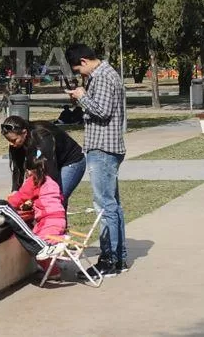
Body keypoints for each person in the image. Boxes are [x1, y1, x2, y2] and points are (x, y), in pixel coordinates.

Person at [65, 43, 128, 277]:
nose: (79, 75)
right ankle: (118, 258)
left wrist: (81, 96)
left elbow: (102, 112)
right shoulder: (105, 74)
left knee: (104, 205)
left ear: (83, 61)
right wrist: (80, 100)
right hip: (107, 146)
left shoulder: (101, 77)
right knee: (112, 204)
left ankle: (108, 259)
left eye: (77, 70)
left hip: (103, 147)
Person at [1, 116, 85, 210]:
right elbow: (18, 168)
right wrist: (15, 190)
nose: (11, 144)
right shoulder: (15, 144)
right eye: (9, 141)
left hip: (71, 161)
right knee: (41, 199)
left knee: (54, 197)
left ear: (24, 132)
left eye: (13, 140)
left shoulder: (42, 135)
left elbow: (50, 170)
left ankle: (57, 223)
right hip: (52, 162)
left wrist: (34, 196)